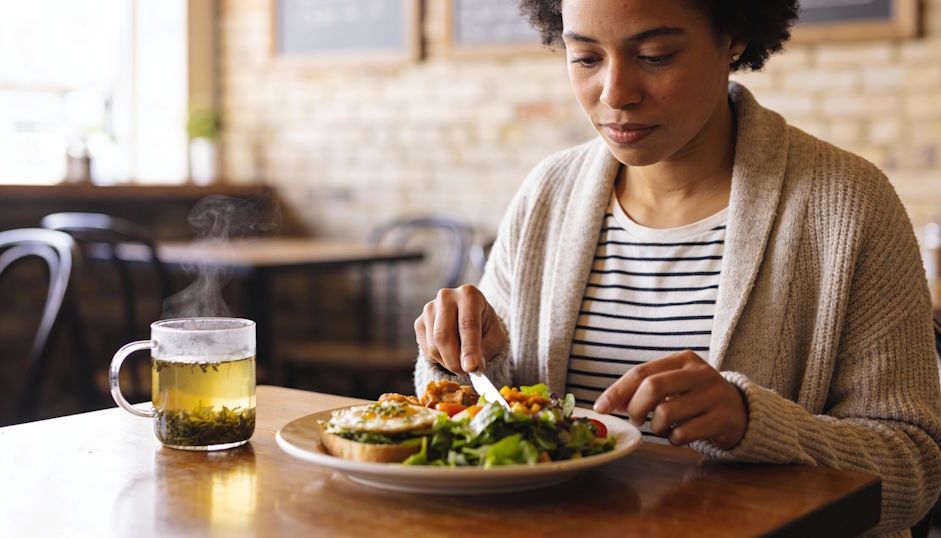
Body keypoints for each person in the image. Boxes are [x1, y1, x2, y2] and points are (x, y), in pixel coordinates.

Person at [412, 0, 941, 533]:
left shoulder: (848, 204)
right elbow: (484, 415)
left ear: (733, 36)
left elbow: (914, 468)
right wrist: (470, 358)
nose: (615, 93)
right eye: (586, 58)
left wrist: (752, 424)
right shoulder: (547, 193)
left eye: (656, 55)